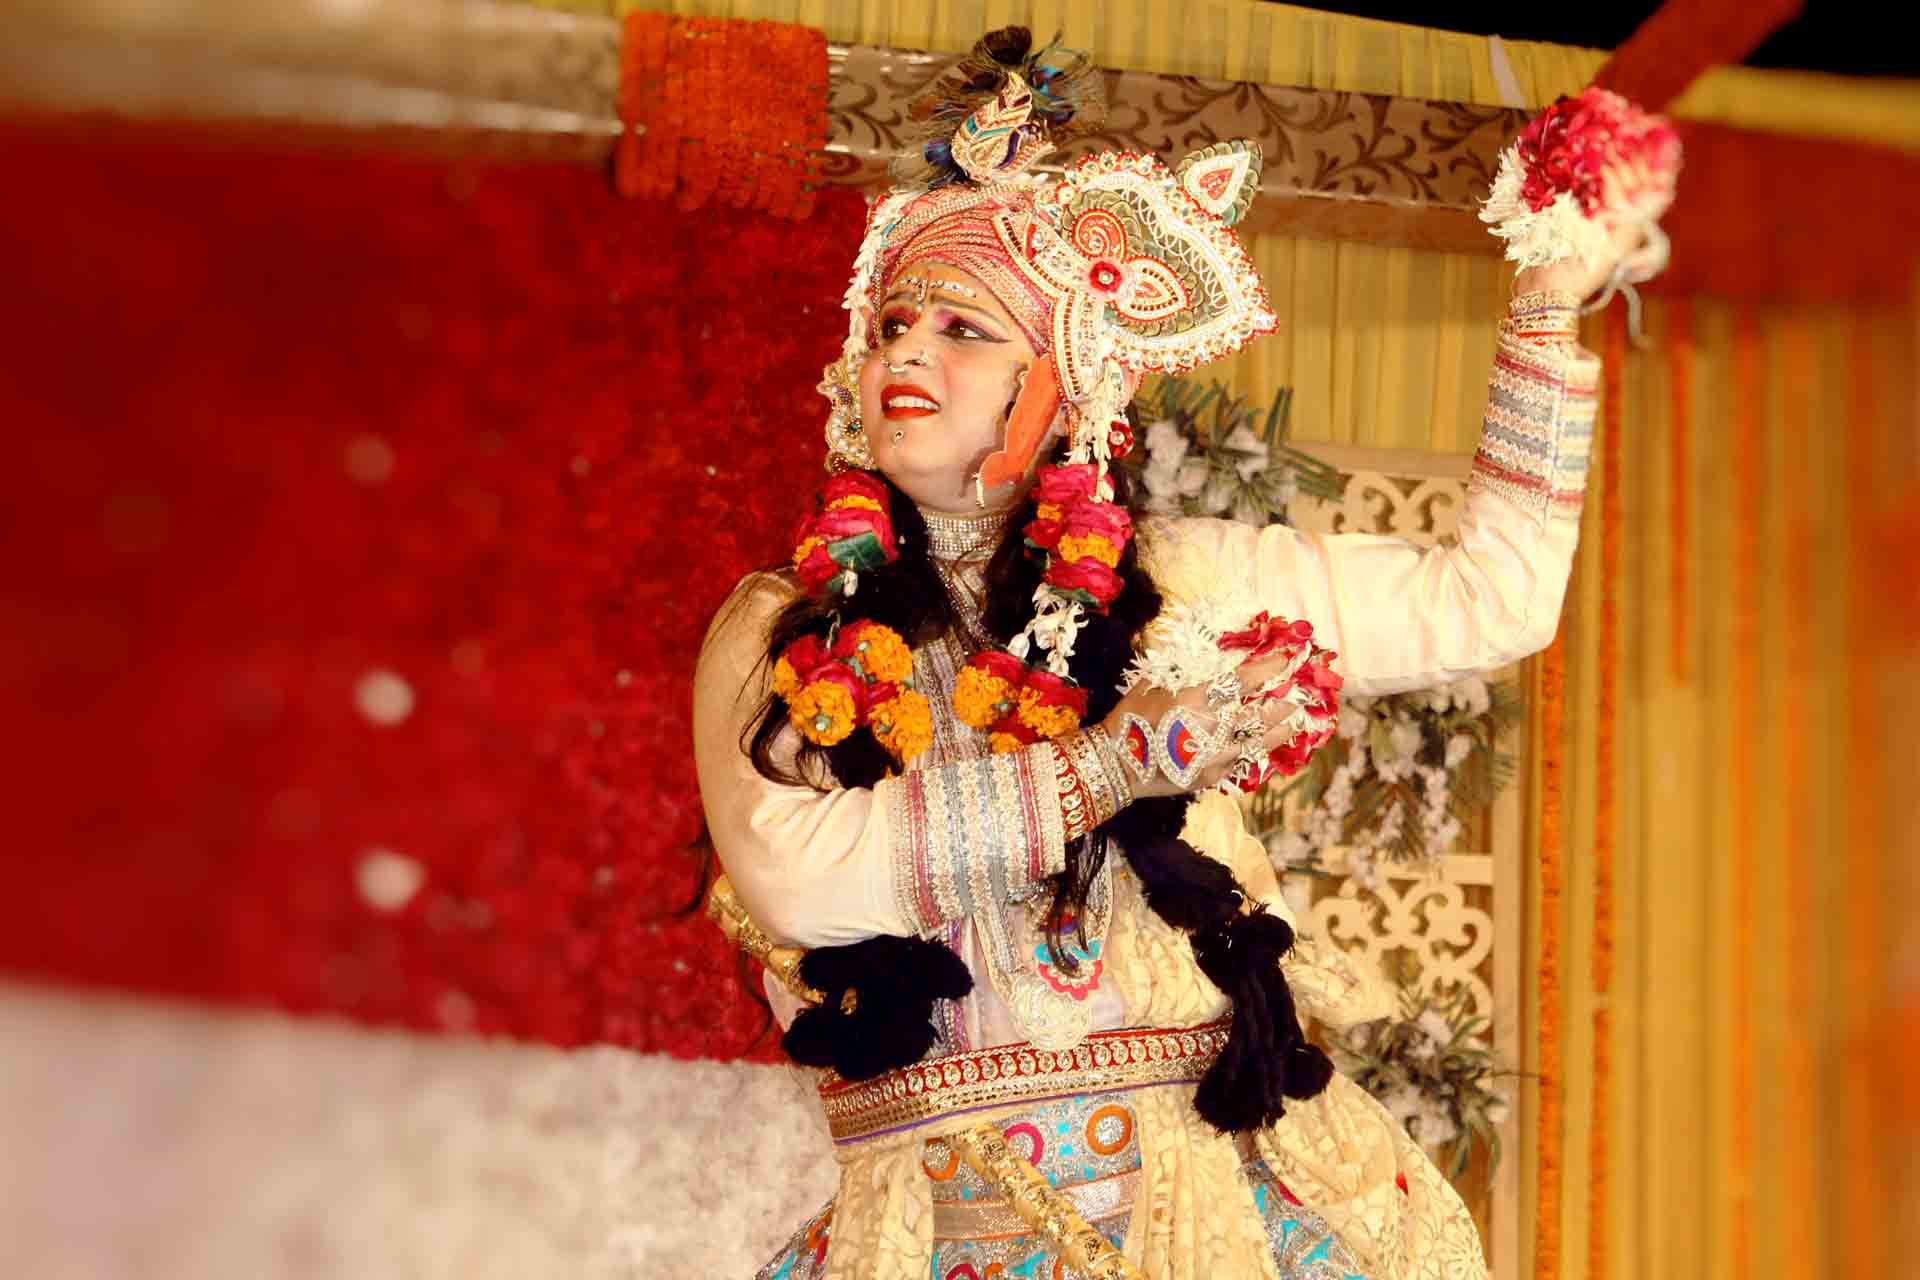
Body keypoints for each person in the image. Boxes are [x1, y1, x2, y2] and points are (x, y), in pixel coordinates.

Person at [692, 28, 1672, 1280]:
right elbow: (797, 876)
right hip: (936, 1221)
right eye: (891, 324)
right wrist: (1119, 761)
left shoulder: (1187, 580)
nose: (907, 354)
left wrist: (1543, 303)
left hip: (1212, 1205)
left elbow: (1494, 599)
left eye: (963, 326)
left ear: (1061, 385)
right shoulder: (785, 626)